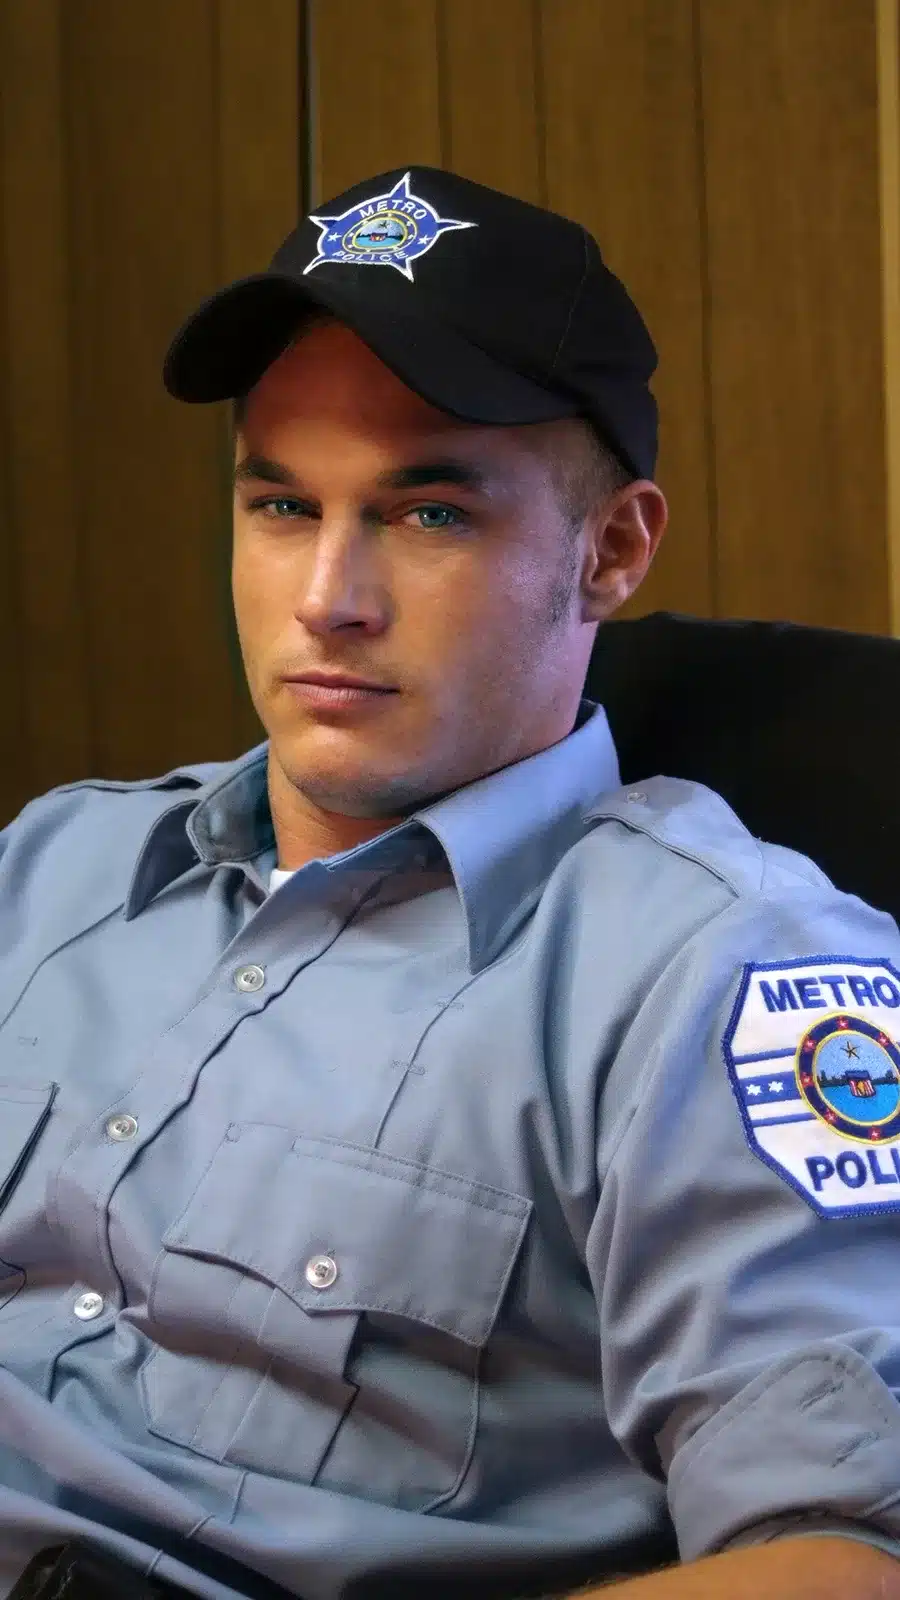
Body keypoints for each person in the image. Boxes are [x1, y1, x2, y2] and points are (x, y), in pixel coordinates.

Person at [0, 165, 899, 1600]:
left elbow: (842, 1563)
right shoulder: (54, 868)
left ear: (612, 551)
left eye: (428, 516)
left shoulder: (722, 978)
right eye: (281, 505)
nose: (326, 600)